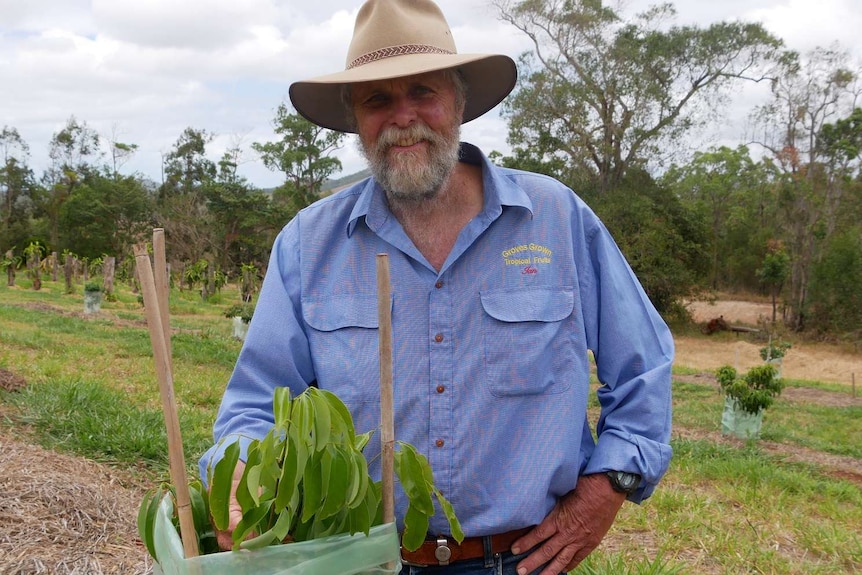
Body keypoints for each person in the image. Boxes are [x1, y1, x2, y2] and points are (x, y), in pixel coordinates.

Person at [198, 0, 674, 573]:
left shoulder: (556, 219)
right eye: (378, 98)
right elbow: (255, 403)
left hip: (522, 559)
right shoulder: (309, 244)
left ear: (459, 101)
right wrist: (240, 475)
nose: (403, 117)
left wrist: (606, 489)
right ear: (355, 117)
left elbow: (643, 368)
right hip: (362, 558)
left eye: (423, 91)